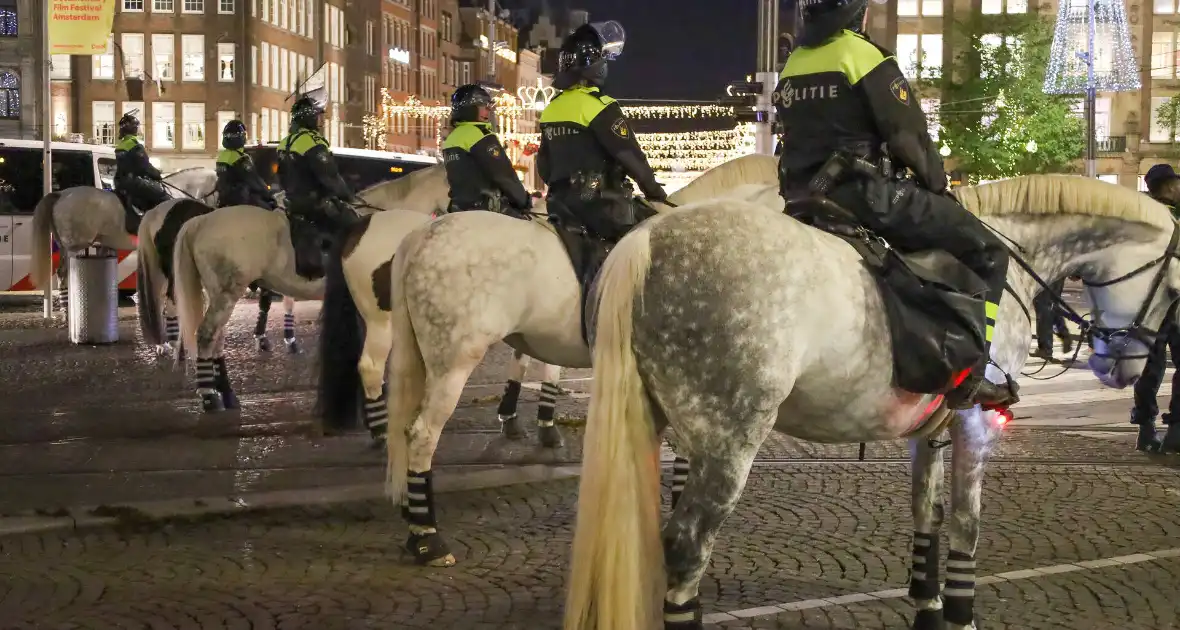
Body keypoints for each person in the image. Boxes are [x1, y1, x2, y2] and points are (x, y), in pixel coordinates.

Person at [776, 0, 1016, 409]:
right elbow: (908, 136)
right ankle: (972, 373)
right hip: (867, 194)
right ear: (859, 14)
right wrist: (935, 184)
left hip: (802, 196)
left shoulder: (794, 62)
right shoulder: (862, 55)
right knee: (989, 250)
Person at [537, 20, 666, 244]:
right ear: (595, 65)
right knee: (660, 238)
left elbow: (544, 167)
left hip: (559, 207)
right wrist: (656, 193)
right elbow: (631, 157)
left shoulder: (551, 109)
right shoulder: (600, 106)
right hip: (601, 207)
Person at [1129, 164, 1180, 436]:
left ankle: (1145, 429)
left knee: (1151, 367)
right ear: (1171, 186)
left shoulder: (1141, 219)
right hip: (1175, 304)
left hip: (1149, 306)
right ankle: (1176, 431)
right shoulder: (1171, 220)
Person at [441, 84, 532, 217]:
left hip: (458, 207)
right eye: (484, 106)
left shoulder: (452, 137)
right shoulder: (480, 135)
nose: (488, 111)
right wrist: (523, 201)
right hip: (485, 207)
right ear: (471, 109)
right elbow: (503, 175)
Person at [276, 91, 359, 234]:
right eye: (318, 116)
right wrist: (348, 197)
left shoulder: (284, 143)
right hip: (313, 205)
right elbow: (330, 177)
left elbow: (281, 175)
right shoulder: (312, 142)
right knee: (354, 225)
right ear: (311, 118)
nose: (321, 121)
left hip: (291, 203)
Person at [113, 111, 170, 212]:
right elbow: (144, 167)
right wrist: (157, 174)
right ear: (133, 128)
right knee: (163, 195)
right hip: (133, 182)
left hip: (119, 182)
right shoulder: (134, 144)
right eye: (137, 126)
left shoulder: (121, 144)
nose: (138, 129)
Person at [215, 120, 277, 210]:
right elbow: (255, 182)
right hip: (242, 200)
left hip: (223, 200)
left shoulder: (222, 156)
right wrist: (269, 195)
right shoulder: (242, 158)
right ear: (242, 137)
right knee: (269, 210)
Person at [1031, 279, 1072, 360]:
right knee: (1053, 304)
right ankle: (1063, 333)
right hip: (1058, 273)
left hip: (1046, 273)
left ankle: (1045, 348)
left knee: (1043, 306)